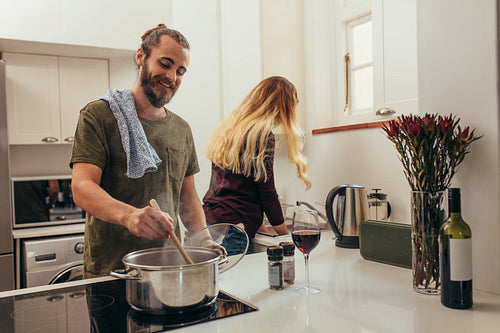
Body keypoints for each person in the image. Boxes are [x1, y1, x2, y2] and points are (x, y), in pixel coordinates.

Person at [70, 24, 207, 279]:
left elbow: (187, 198)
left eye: (180, 71)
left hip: (169, 271)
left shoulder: (181, 129)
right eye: (165, 64)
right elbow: (81, 187)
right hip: (111, 273)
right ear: (141, 56)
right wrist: (130, 216)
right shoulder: (98, 115)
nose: (172, 77)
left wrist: (205, 239)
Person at [203, 76, 311, 253]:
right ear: (282, 107)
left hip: (208, 223)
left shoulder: (231, 129)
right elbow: (267, 194)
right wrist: (285, 238)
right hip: (234, 231)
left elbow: (241, 188)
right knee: (238, 281)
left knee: (216, 280)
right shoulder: (262, 136)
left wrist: (261, 227)